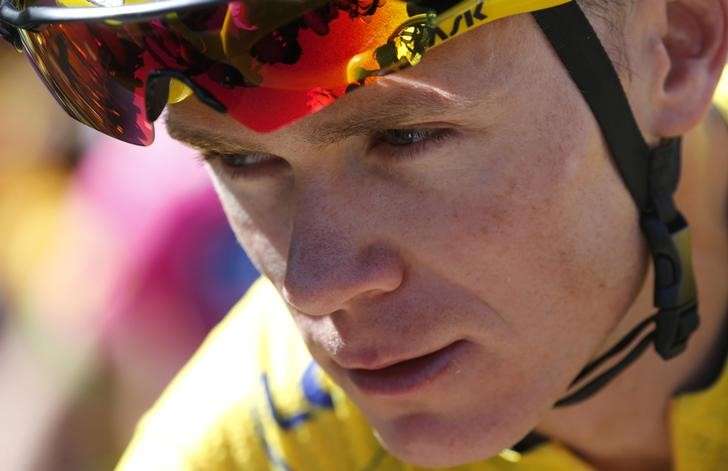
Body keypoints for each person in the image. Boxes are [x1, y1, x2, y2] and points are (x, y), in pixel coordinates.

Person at [1, 0, 726, 469]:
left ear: (678, 47)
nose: (315, 284)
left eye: (406, 136)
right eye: (240, 158)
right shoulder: (241, 450)